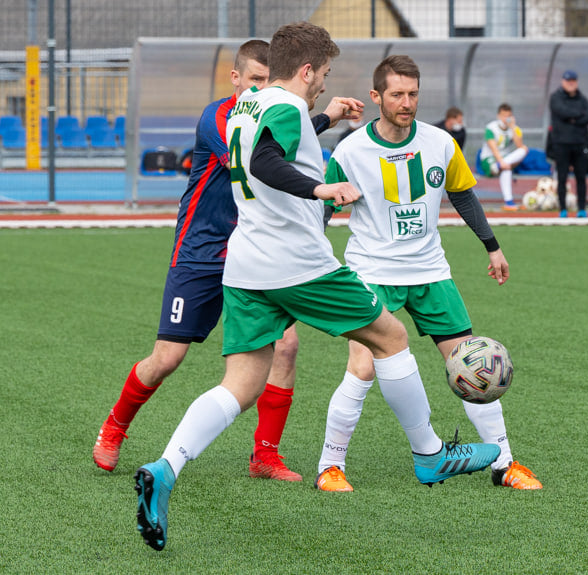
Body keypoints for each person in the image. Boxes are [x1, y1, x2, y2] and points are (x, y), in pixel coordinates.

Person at [133, 22, 500, 552]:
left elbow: (278, 130)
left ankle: (165, 467)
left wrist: (329, 117)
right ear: (306, 70)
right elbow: (266, 159)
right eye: (323, 76)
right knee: (392, 337)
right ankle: (429, 454)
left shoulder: (246, 106)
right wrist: (320, 186)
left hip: (246, 266)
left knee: (240, 384)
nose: (323, 85)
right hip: (297, 264)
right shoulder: (282, 110)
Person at [92, 40, 360, 483]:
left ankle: (265, 456)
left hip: (258, 253)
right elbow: (260, 158)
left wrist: (326, 117)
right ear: (236, 79)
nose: (261, 89)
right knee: (167, 358)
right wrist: (325, 120)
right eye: (253, 80)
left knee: (286, 347)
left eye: (266, 80)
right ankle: (115, 427)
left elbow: (282, 140)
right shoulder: (224, 117)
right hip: (202, 254)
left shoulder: (272, 111)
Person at [314, 54, 541, 493]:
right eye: (397, 94)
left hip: (431, 271)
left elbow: (464, 197)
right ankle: (330, 465)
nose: (406, 102)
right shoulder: (350, 150)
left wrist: (492, 247)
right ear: (376, 96)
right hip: (372, 271)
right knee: (362, 367)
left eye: (413, 93)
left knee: (473, 364)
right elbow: (323, 208)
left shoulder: (440, 142)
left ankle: (504, 464)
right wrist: (316, 261)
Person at [548, 69, 588, 218]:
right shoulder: (556, 97)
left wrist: (574, 118)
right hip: (561, 144)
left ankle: (581, 208)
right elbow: (562, 112)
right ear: (563, 82)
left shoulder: (582, 99)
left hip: (580, 143)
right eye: (568, 81)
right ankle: (563, 209)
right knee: (562, 177)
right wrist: (577, 116)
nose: (571, 84)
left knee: (581, 177)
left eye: (573, 81)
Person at [478, 103, 528, 211]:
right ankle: (498, 166)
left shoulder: (515, 128)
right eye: (503, 115)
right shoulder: (490, 127)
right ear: (498, 116)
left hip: (504, 162)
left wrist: (513, 128)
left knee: (524, 150)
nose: (506, 118)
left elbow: (519, 146)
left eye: (508, 115)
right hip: (489, 159)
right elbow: (493, 148)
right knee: (506, 166)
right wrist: (500, 161)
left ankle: (509, 203)